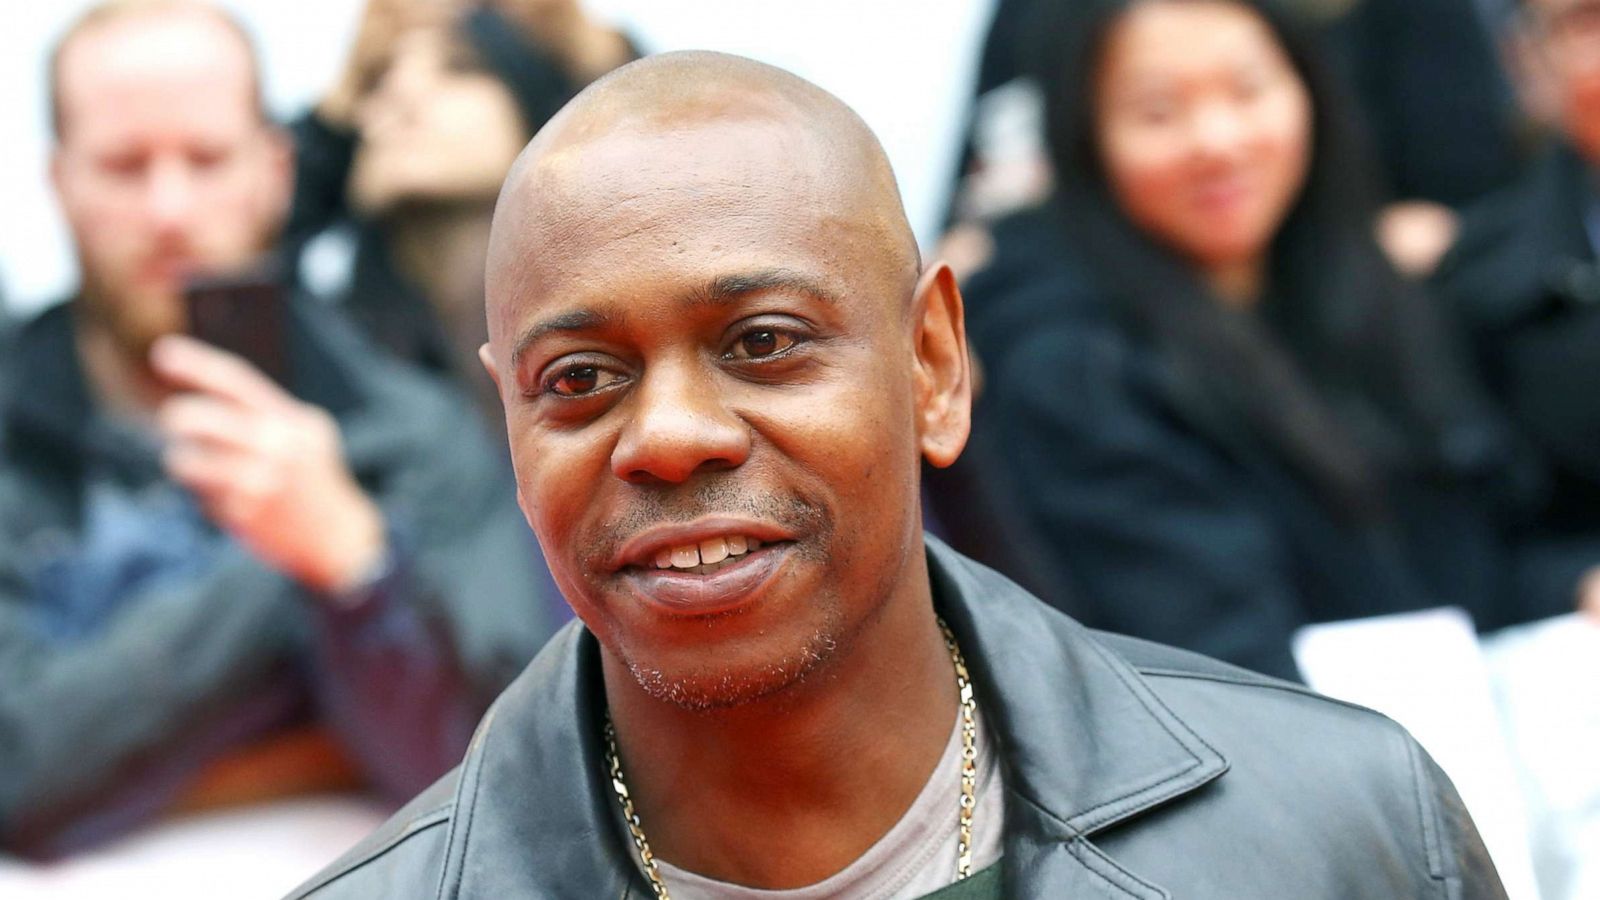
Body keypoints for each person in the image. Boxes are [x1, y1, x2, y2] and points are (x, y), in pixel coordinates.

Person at [290, 51, 1504, 899]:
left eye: (761, 343)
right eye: (577, 379)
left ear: (932, 365)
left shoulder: (1341, 833)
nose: (666, 436)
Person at [0, 0, 560, 857]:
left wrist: (356, 569)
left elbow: (509, 779)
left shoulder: (409, 429)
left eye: (206, 158)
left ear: (274, 169)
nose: (169, 209)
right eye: (123, 165)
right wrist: (290, 578)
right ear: (59, 180)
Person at [939, 0, 1592, 681]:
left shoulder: (1357, 287)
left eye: (1249, 90)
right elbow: (1216, 667)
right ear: (1086, 137)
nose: (1219, 141)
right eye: (1158, 113)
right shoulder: (1069, 361)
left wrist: (1572, 586)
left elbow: (1477, 542)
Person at [285, 0, 636, 425]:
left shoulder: (615, 332)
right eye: (377, 80)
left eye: (458, 67)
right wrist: (329, 126)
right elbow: (237, 237)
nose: (401, 94)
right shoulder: (339, 358)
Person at [1432, 0, 1600, 618]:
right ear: (1529, 60)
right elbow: (1468, 545)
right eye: (1587, 23)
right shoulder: (1481, 283)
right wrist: (1574, 585)